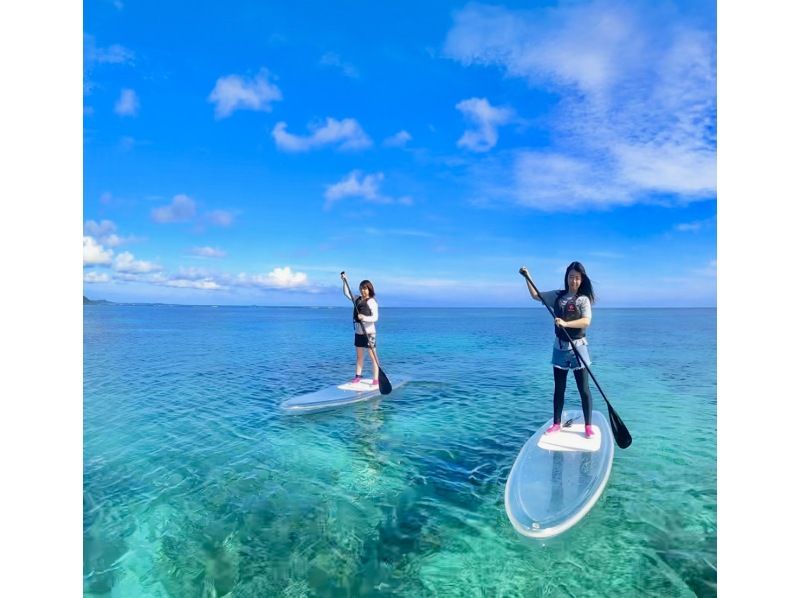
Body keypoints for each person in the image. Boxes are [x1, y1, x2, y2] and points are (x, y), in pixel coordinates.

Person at [521, 262, 596, 438]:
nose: (574, 281)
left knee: (583, 389)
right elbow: (535, 295)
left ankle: (588, 426)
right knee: (559, 388)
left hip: (579, 347)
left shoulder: (583, 300)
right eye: (571, 277)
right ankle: (556, 423)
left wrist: (566, 323)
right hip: (560, 347)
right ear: (566, 278)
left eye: (577, 277)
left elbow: (586, 321)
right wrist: (527, 276)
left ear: (581, 279)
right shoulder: (557, 296)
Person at [341, 272, 380, 386]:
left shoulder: (372, 301)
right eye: (362, 289)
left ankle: (376, 379)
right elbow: (346, 293)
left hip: (369, 333)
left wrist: (364, 317)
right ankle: (358, 377)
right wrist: (344, 281)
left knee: (373, 357)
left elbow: (375, 317)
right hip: (358, 333)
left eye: (366, 289)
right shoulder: (357, 298)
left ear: (369, 290)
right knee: (359, 356)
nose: (363, 291)